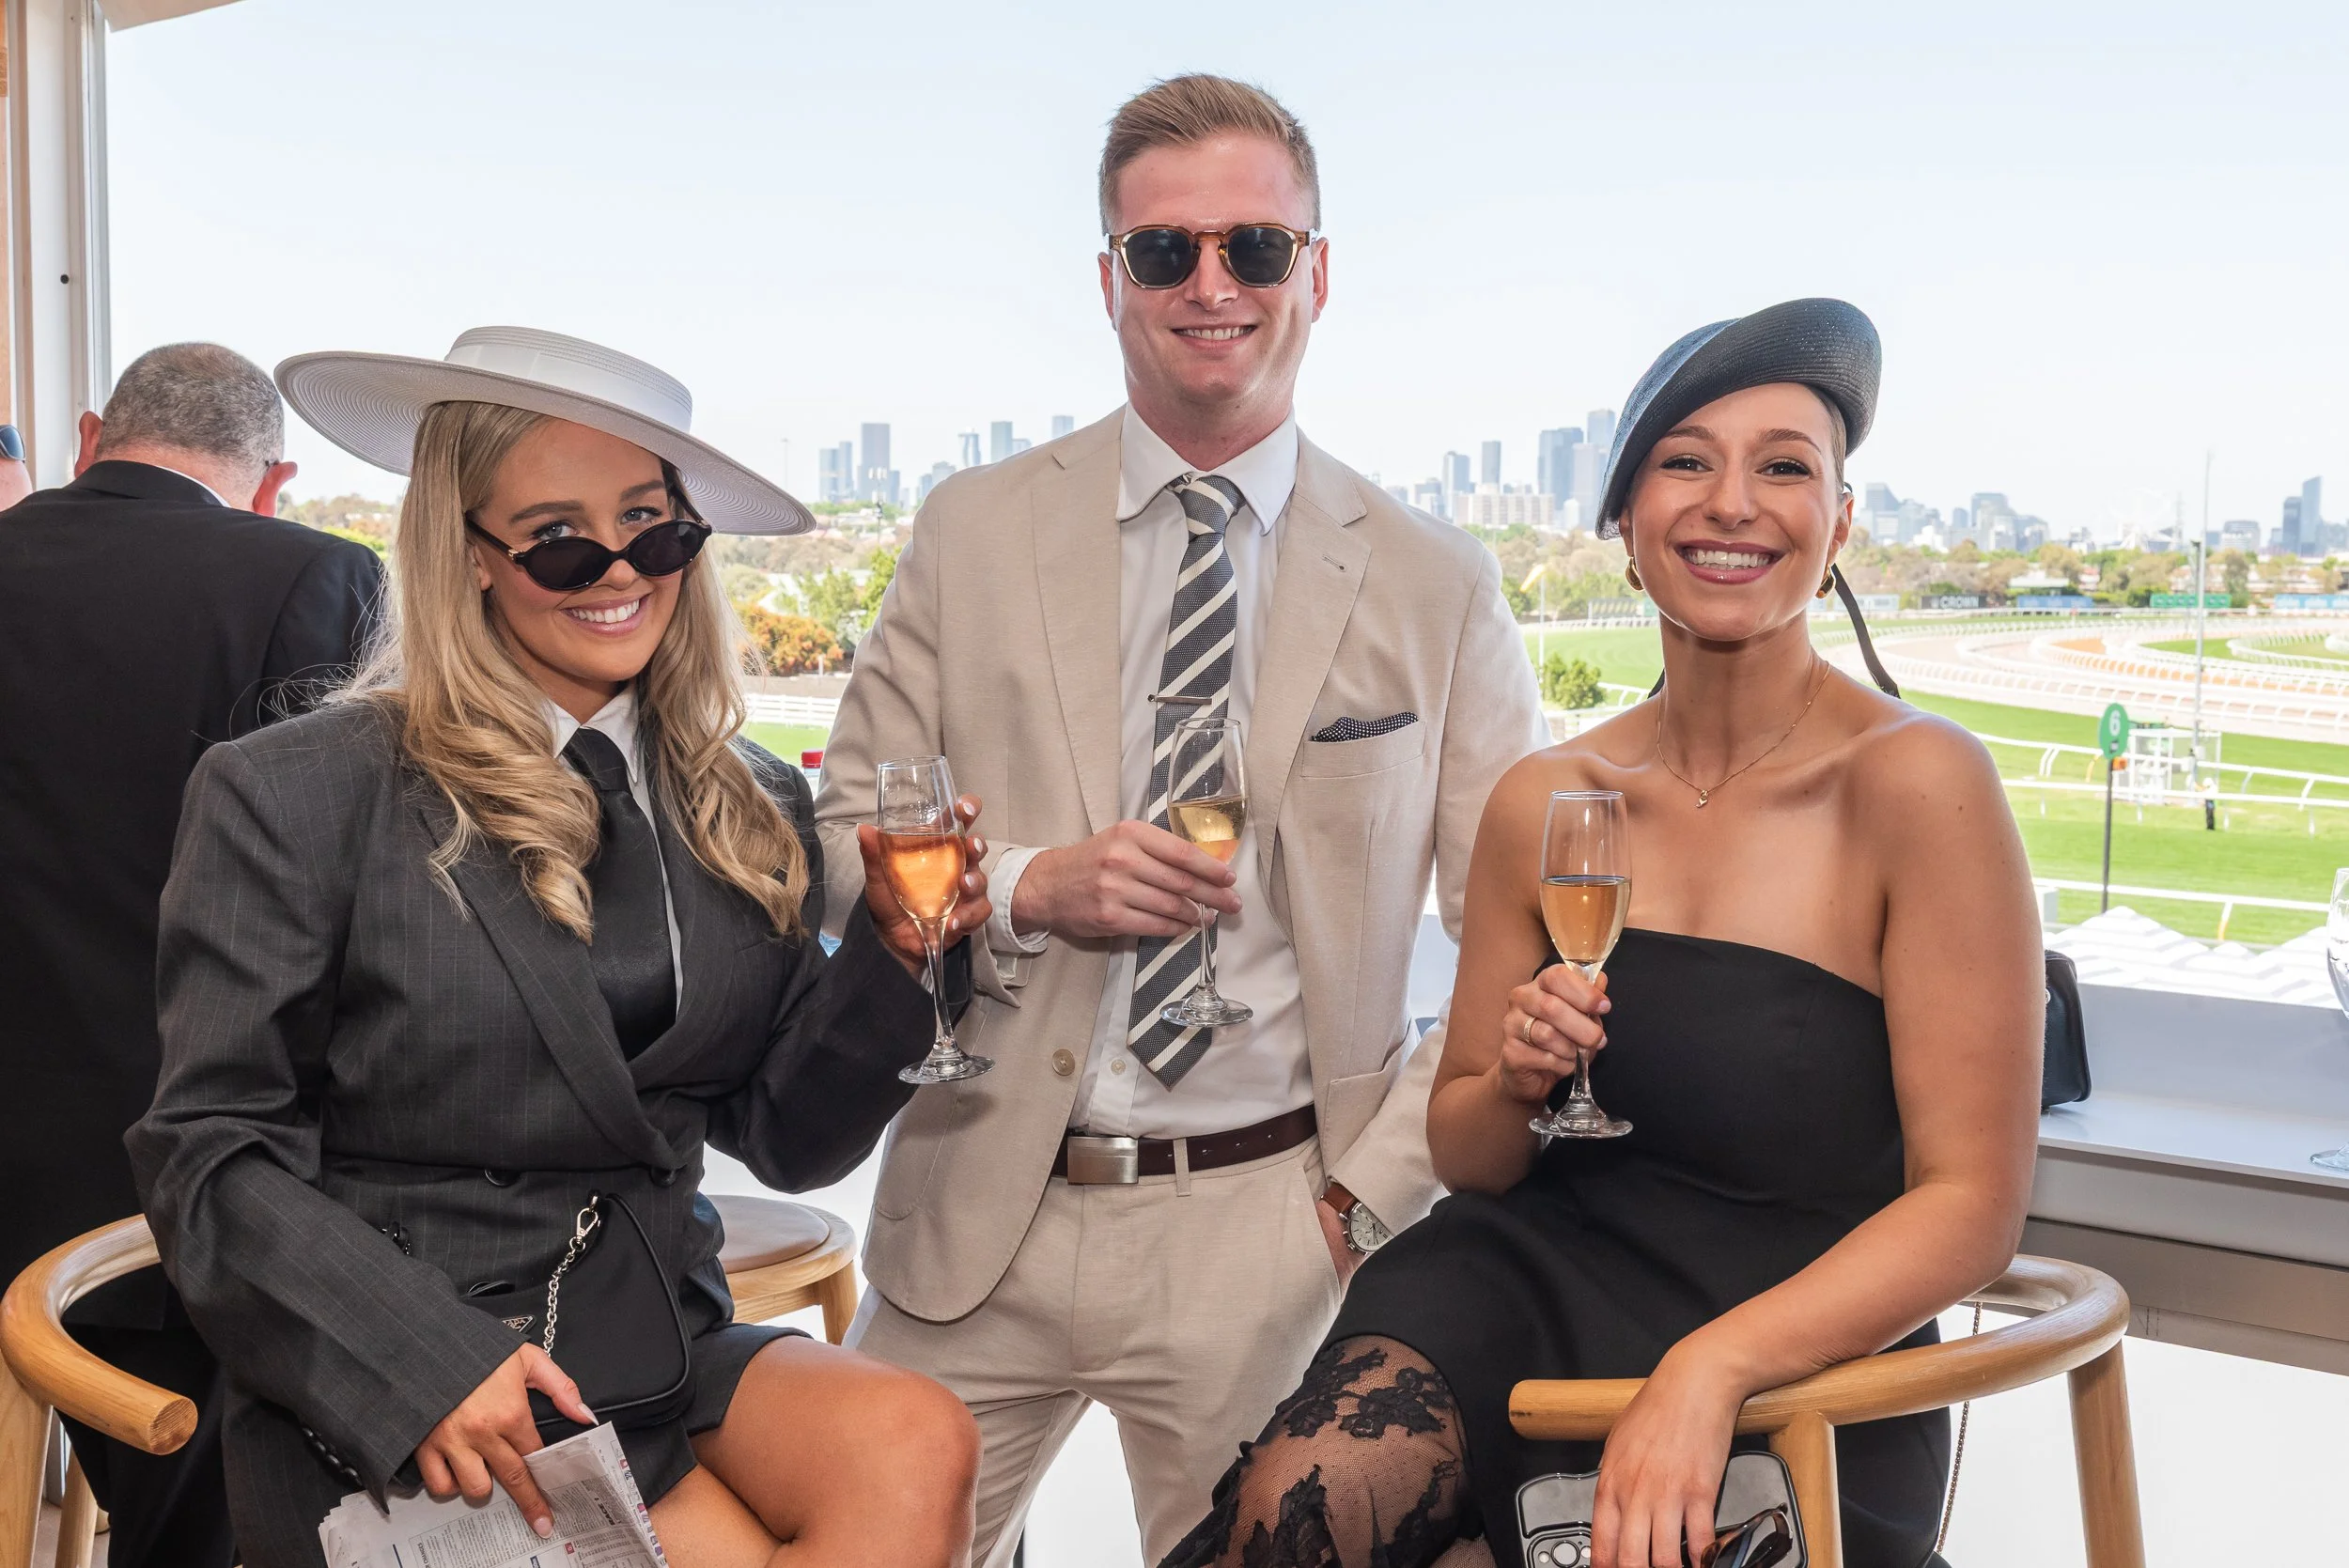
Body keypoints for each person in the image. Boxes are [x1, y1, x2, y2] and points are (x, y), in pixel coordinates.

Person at [1162, 300, 2045, 1568]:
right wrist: (1518, 1082)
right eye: (1685, 462)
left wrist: (1712, 1371)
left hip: (1798, 1357)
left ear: (1841, 522)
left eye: (1784, 467)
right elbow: (1470, 1157)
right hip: (1515, 1294)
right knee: (1289, 1519)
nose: (1732, 503)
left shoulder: (1921, 786)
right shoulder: (1550, 798)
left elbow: (1972, 1207)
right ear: (1626, 523)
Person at [813, 75, 1548, 1567]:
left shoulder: (1438, 582)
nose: (1212, 285)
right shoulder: (971, 528)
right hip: (978, 1208)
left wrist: (1364, 1200)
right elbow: (839, 841)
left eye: (1254, 247)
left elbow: (1507, 939)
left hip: (1273, 1233)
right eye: (1165, 252)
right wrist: (1030, 886)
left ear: (1316, 273)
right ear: (1112, 282)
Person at [127, 327, 987, 1568]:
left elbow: (789, 1138)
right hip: (409, 1374)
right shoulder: (296, 792)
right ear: (468, 553)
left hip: (652, 1341)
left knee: (915, 1436)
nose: (618, 570)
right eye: (560, 539)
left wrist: (900, 957)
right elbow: (209, 1151)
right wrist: (421, 1360)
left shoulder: (746, 800)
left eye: (652, 528)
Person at [0, 343, 381, 1568]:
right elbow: (348, 898)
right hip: (173, 1195)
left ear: (89, 438)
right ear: (273, 482)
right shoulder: (314, 577)